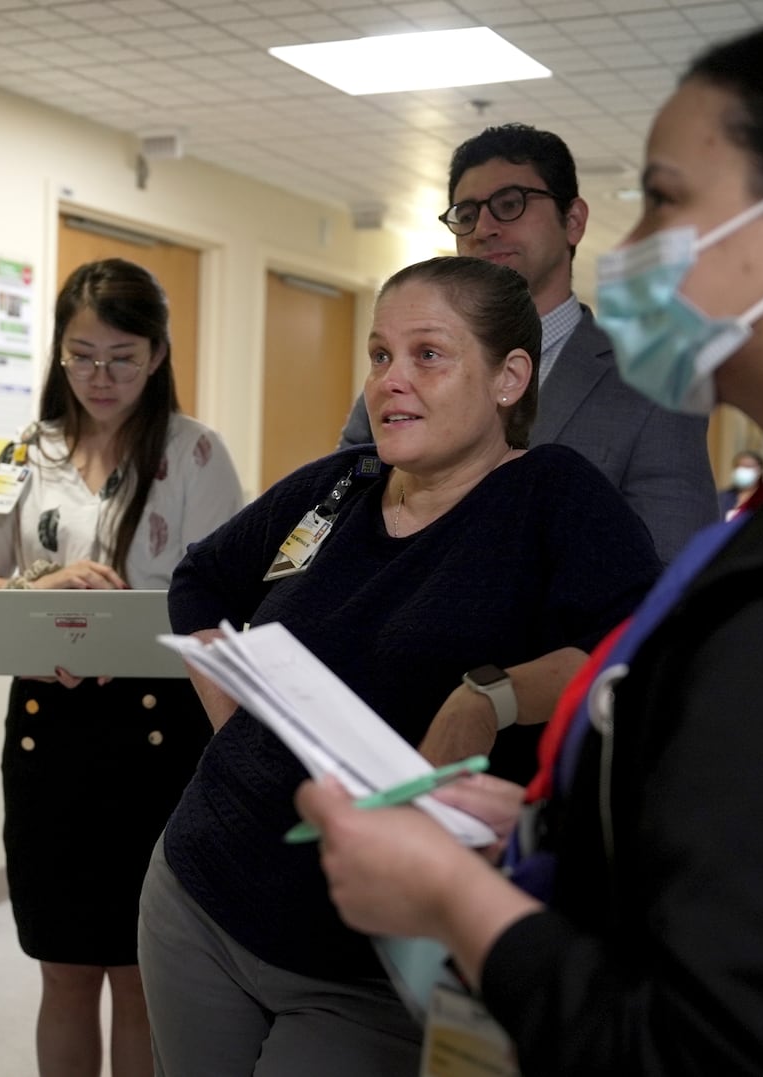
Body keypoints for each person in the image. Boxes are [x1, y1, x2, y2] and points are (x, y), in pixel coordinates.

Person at [296, 14, 763, 1075]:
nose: (632, 250)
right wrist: (567, 819)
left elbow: (723, 1051)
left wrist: (455, 901)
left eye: (664, 200)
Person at [139, 257, 661, 1075]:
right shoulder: (340, 486)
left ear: (508, 377)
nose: (392, 381)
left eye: (429, 355)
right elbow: (200, 576)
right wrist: (227, 712)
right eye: (381, 356)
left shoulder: (553, 496)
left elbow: (636, 656)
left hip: (370, 966)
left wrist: (492, 695)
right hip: (198, 892)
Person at [0, 259, 242, 1077]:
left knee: (144, 971)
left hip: (160, 735)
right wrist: (40, 585)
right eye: (81, 355)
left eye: (121, 356)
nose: (100, 377)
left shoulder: (195, 454)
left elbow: (226, 601)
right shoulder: (24, 453)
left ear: (156, 354)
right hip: (49, 735)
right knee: (65, 968)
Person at [338, 124, 717, 564]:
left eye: (509, 204)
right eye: (466, 212)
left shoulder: (652, 383)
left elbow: (673, 570)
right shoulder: (404, 375)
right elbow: (337, 507)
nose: (483, 228)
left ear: (572, 220)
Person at [716, 447, 763, 518]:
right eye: (740, 466)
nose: (743, 470)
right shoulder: (721, 498)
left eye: (748, 466)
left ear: (760, 471)